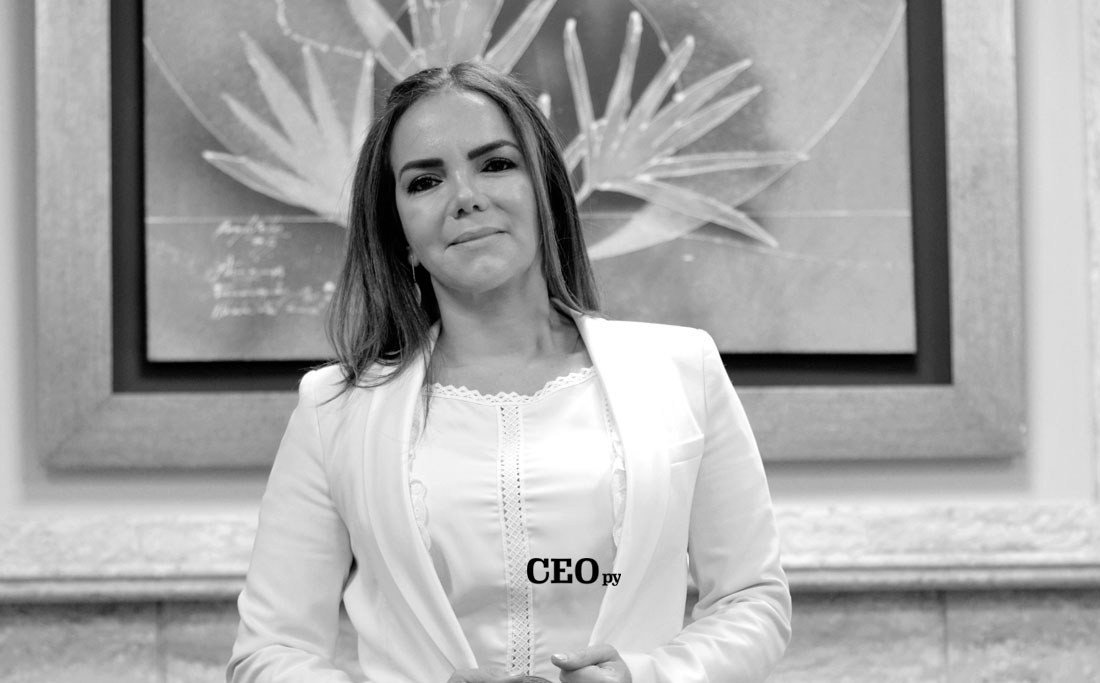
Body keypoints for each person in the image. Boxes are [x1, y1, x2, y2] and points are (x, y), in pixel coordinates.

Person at [227, 62, 791, 683]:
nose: (465, 197)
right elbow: (269, 651)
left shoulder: (682, 370)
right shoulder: (333, 407)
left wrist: (644, 677)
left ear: (545, 192)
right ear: (400, 231)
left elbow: (752, 601)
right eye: (425, 181)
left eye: (496, 164)